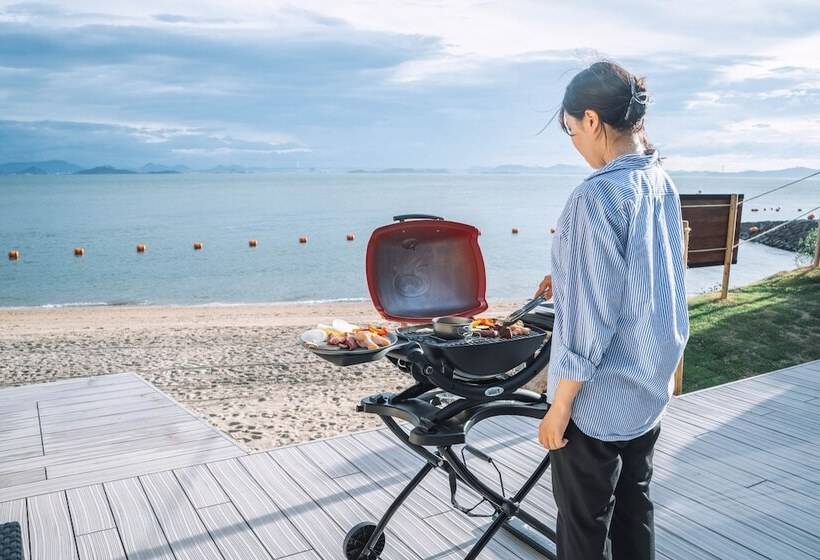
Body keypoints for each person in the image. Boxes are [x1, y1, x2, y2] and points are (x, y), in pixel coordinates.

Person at [534, 61, 689, 560]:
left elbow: (590, 320)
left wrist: (560, 406)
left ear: (592, 120)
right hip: (648, 383)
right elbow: (649, 274)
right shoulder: (659, 180)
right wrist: (567, 275)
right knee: (633, 510)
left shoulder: (595, 195)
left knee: (583, 529)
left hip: (596, 399)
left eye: (572, 129)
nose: (575, 142)